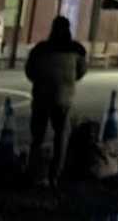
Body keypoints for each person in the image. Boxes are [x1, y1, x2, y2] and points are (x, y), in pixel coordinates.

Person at [24, 14, 88, 185]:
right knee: (61, 136)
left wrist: (40, 81)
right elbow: (81, 72)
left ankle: (33, 172)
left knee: (37, 137)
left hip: (41, 97)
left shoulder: (40, 49)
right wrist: (68, 80)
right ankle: (56, 174)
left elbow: (30, 71)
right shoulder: (76, 50)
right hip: (63, 98)